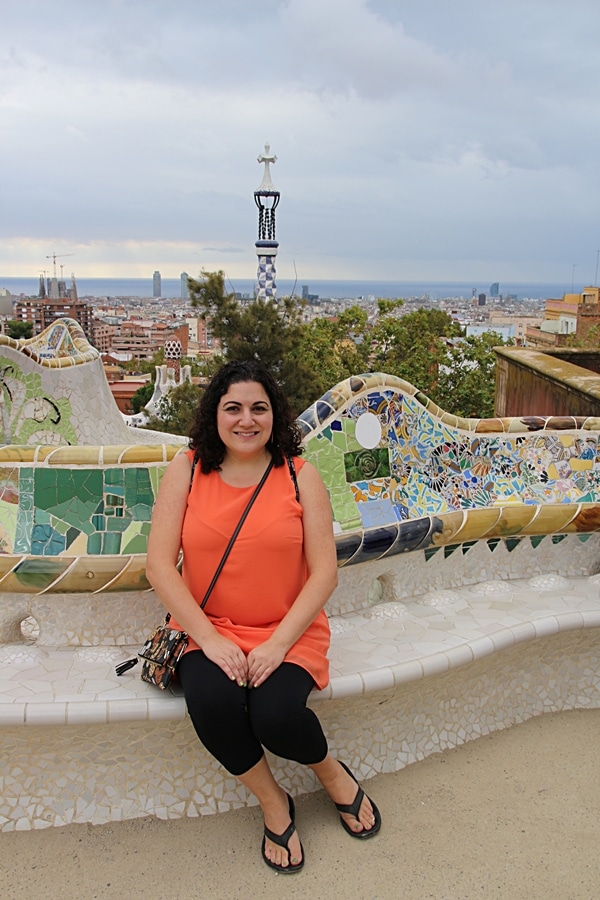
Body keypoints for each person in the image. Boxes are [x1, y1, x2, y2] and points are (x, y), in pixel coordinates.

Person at [146, 360, 381, 874]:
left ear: (275, 415)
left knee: (276, 716)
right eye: (233, 408)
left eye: (259, 408)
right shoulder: (187, 468)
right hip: (208, 630)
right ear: (215, 415)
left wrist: (276, 646)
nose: (246, 419)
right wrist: (208, 639)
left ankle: (331, 773)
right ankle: (274, 802)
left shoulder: (301, 475)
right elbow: (159, 566)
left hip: (286, 632)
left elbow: (324, 574)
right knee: (212, 704)